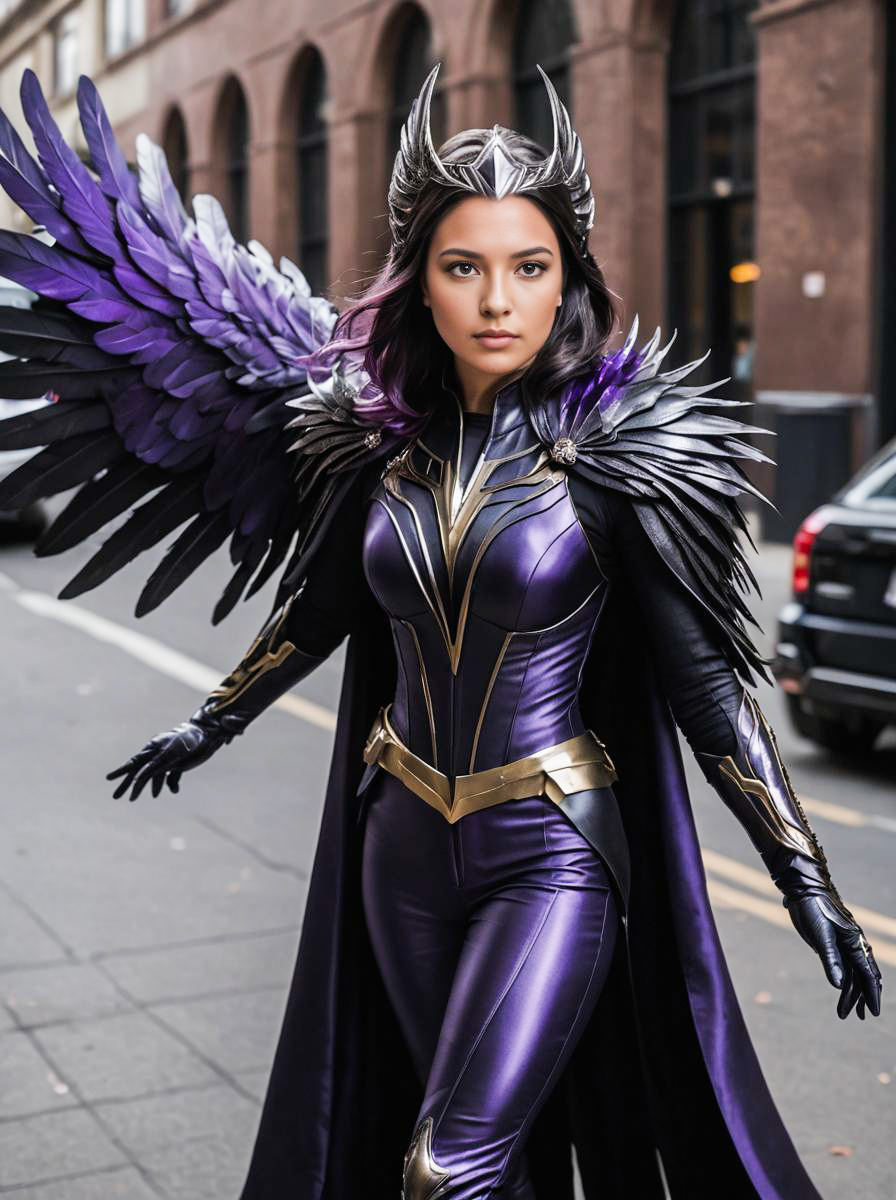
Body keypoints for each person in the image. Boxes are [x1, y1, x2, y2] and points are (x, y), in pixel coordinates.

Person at [0, 63, 882, 1200]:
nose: (497, 300)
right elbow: (317, 615)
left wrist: (803, 878)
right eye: (463, 267)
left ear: (566, 280)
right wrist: (205, 725)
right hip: (399, 844)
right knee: (485, 1169)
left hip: (551, 846)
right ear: (421, 282)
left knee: (442, 1167)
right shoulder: (371, 451)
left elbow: (708, 693)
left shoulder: (617, 460)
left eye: (528, 267)